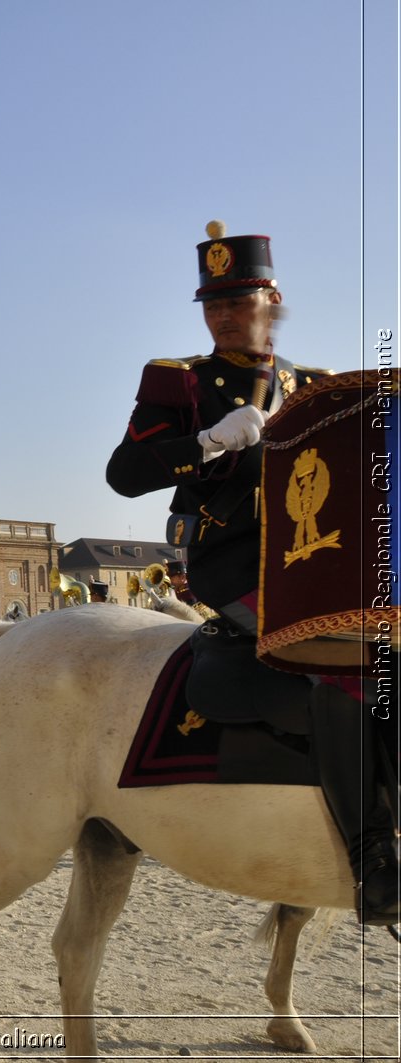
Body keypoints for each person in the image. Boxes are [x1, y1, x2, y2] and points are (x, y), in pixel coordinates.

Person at [107, 220, 396, 925]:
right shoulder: (179, 381)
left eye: (239, 301)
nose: (224, 316)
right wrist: (205, 442)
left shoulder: (319, 387)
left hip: (318, 562)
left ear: (273, 300)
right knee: (342, 660)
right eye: (213, 304)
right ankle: (372, 861)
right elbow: (124, 474)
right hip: (230, 561)